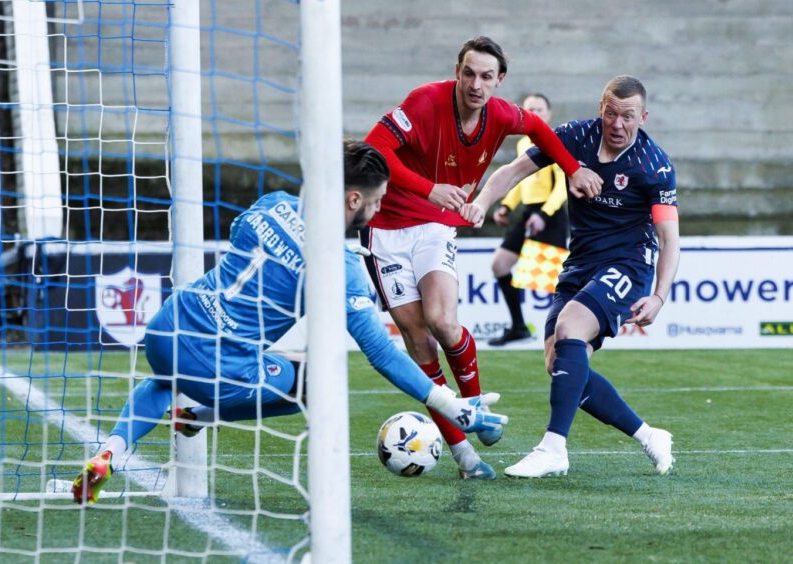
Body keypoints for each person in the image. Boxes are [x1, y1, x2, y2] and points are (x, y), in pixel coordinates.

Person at [72, 142, 508, 504]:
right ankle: (200, 414)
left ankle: (109, 451)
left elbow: (242, 230)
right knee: (319, 381)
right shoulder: (339, 265)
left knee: (163, 382)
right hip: (217, 367)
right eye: (376, 202)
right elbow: (379, 353)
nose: (376, 212)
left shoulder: (273, 203)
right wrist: (452, 405)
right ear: (353, 199)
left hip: (168, 327)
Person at [362, 36, 602, 479]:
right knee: (418, 341)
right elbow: (373, 149)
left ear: (499, 80)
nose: (476, 84)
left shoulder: (502, 113)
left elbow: (540, 131)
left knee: (444, 322)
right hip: (387, 229)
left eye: (486, 76)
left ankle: (475, 410)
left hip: (435, 225)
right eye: (469, 73)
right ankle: (463, 455)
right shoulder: (423, 101)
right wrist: (428, 187)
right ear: (457, 71)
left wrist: (573, 168)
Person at [460, 75, 679, 478]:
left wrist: (660, 296)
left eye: (628, 117)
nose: (617, 124)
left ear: (642, 117)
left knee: (570, 325)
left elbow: (669, 238)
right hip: (580, 262)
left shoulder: (655, 166)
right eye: (611, 113)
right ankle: (649, 435)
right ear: (601, 107)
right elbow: (514, 170)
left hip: (629, 264)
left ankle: (553, 447)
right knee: (558, 361)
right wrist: (481, 202)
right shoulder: (574, 137)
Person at [488, 93, 568, 346]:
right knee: (500, 265)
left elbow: (563, 185)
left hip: (550, 215)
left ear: (549, 113)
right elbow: (521, 181)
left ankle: (568, 333)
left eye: (540, 109)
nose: (535, 113)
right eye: (530, 109)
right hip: (527, 213)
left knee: (554, 282)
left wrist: (544, 214)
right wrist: (506, 206)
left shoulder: (555, 140)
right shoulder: (524, 144)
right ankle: (519, 327)